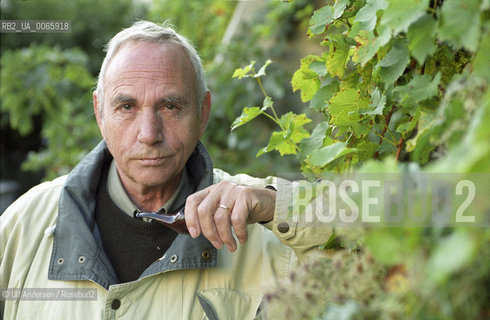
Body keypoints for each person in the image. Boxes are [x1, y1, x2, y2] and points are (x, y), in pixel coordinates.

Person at [0, 21, 330, 319]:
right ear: (99, 113)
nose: (149, 133)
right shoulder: (25, 224)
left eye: (170, 106)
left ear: (203, 113)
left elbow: (378, 211)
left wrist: (275, 205)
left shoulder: (261, 222)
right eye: (126, 106)